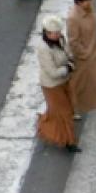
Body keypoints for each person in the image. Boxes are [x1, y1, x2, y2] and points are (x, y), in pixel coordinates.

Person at [35, 15, 80, 153]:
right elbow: (52, 72)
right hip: (52, 85)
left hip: (64, 80)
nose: (59, 34)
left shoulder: (60, 39)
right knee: (64, 113)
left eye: (59, 32)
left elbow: (67, 52)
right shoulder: (43, 48)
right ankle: (68, 141)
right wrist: (68, 67)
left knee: (67, 104)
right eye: (56, 33)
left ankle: (52, 122)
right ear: (47, 33)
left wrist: (71, 59)